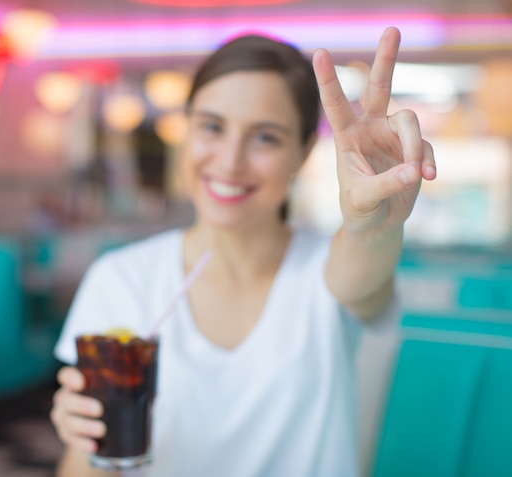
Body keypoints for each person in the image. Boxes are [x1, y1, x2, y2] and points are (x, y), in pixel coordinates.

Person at [50, 26, 436, 476]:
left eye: (265, 137)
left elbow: (363, 271)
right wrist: (84, 436)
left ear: (303, 152)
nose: (230, 161)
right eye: (212, 126)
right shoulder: (121, 279)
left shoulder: (323, 270)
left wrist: (375, 225)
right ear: (186, 131)